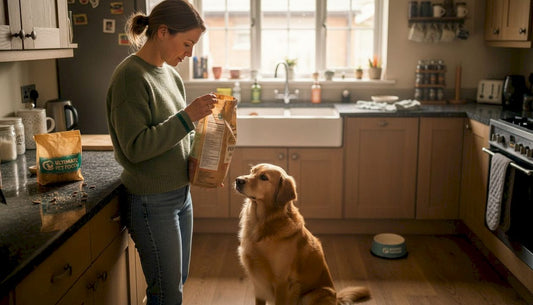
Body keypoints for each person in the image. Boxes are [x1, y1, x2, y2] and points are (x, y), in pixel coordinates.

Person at [105, 1, 216, 304]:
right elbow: (137, 147)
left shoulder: (171, 75)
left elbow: (175, 136)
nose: (190, 53)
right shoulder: (131, 77)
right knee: (167, 294)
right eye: (187, 43)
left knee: (175, 284)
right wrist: (187, 117)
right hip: (151, 201)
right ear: (163, 32)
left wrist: (204, 155)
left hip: (180, 195)